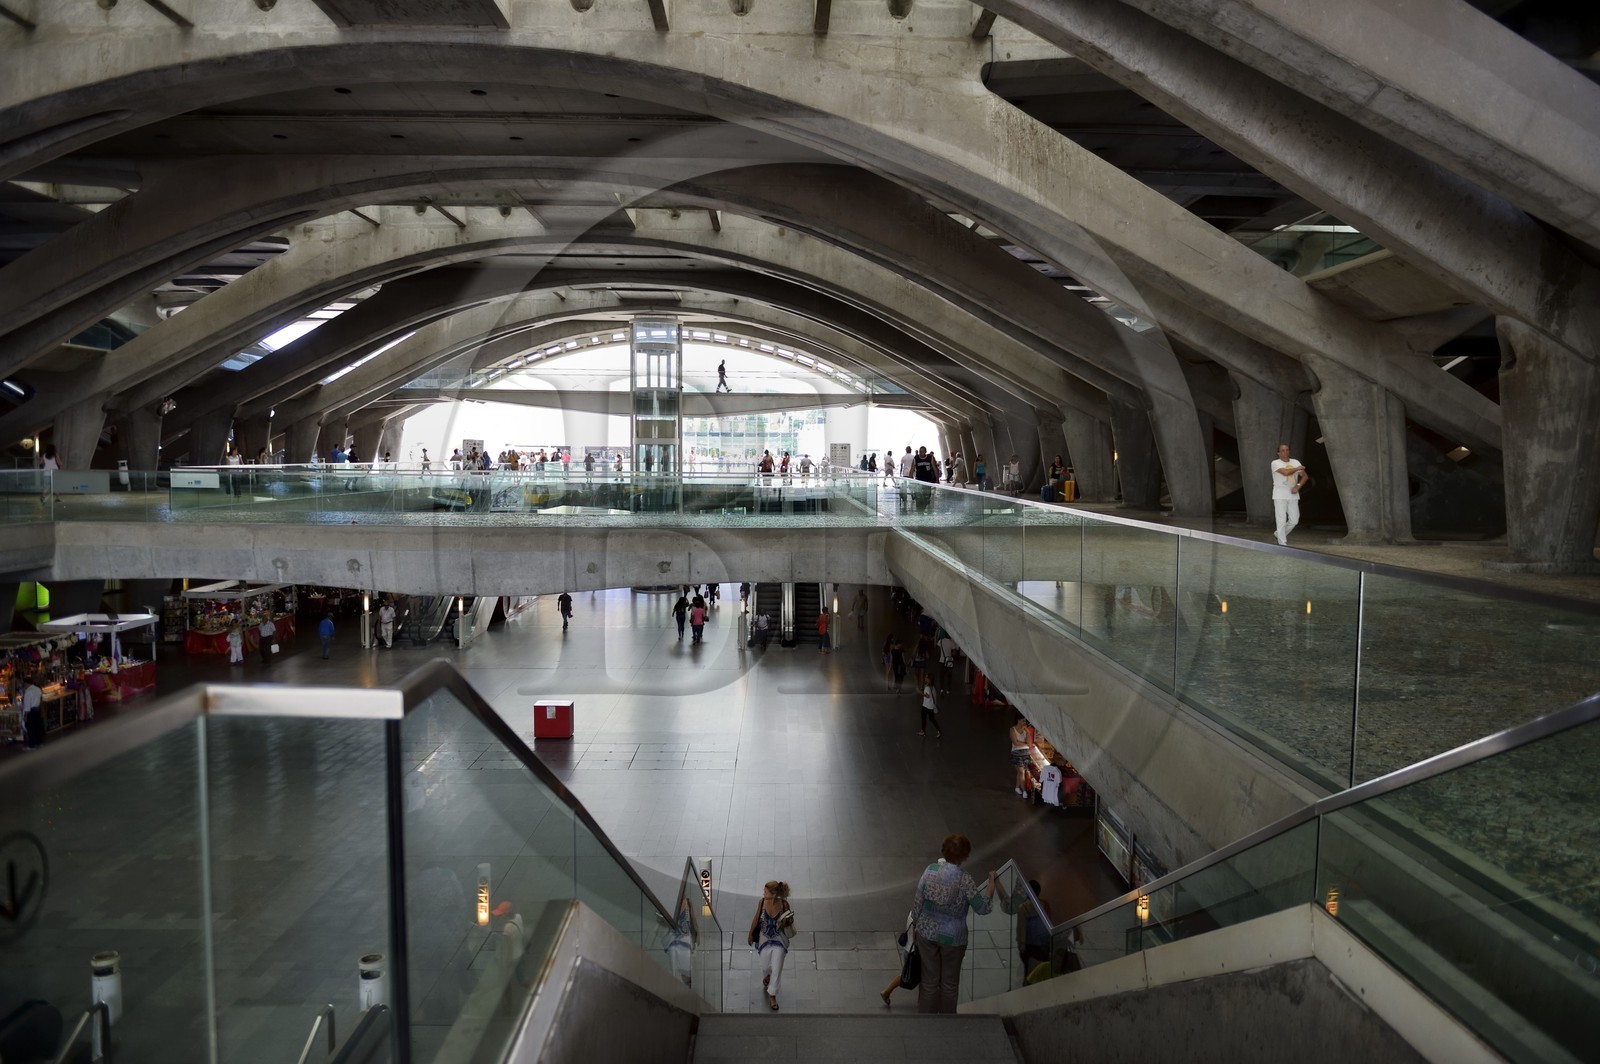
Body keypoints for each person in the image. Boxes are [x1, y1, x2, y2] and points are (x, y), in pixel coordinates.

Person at [911, 834, 996, 1013]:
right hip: (953, 939)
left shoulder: (930, 870)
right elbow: (983, 909)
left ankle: (925, 1019)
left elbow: (918, 902)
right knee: (949, 984)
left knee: (928, 982)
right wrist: (990, 887)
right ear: (964, 855)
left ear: (944, 850)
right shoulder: (965, 880)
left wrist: (916, 925)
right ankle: (948, 1022)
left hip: (927, 933)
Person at [747, 880, 794, 1011]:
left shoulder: (784, 904)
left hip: (779, 939)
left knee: (777, 966)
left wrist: (786, 920)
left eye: (766, 891)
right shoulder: (762, 902)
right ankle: (767, 974)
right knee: (765, 965)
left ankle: (772, 994)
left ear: (773, 894)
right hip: (764, 939)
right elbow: (756, 918)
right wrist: (750, 934)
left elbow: (790, 920)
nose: (763, 893)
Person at [1271, 442, 1308, 546]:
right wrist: (1298, 468)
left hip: (1293, 495)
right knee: (1281, 520)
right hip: (1279, 495)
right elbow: (1286, 473)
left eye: (1287, 450)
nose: (1285, 452)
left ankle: (1279, 534)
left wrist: (1298, 486)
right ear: (1278, 452)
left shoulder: (1295, 461)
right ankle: (1282, 543)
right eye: (1282, 450)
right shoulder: (1275, 463)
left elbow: (1305, 476)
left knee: (1294, 520)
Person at [1009, 716, 1034, 796]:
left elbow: (1029, 743)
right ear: (1018, 720)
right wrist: (1025, 744)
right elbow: (1015, 742)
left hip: (1026, 753)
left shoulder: (1025, 730)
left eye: (1025, 721)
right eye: (1023, 720)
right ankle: (1024, 791)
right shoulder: (1012, 730)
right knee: (1021, 771)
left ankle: (1017, 787)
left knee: (1020, 772)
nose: (1024, 722)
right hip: (1016, 753)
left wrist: (1027, 732)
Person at [21, 671, 44, 749]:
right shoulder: (38, 689)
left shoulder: (28, 692)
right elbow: (40, 699)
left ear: (26, 683)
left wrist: (25, 716)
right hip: (37, 710)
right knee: (37, 727)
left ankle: (32, 744)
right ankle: (39, 742)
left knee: (31, 728)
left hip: (30, 712)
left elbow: (27, 705)